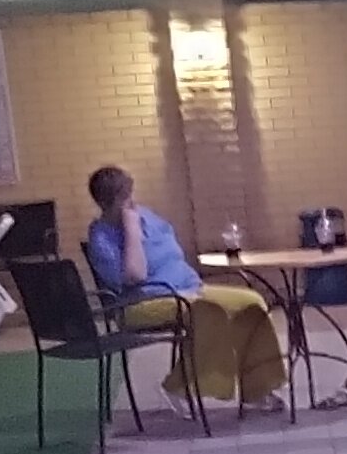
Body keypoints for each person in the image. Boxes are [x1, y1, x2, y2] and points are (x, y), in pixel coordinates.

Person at [79, 165, 287, 407]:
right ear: (109, 202)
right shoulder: (101, 237)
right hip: (140, 304)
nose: (132, 202)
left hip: (188, 289)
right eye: (124, 197)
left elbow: (172, 249)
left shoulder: (146, 217)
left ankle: (260, 388)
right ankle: (178, 387)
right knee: (209, 311)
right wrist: (132, 231)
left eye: (130, 193)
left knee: (252, 303)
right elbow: (136, 274)